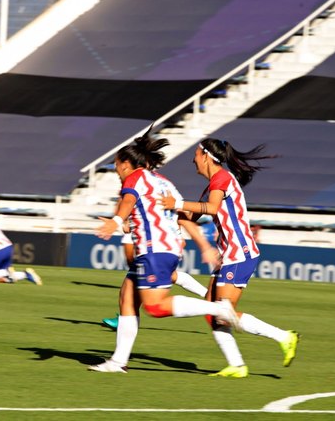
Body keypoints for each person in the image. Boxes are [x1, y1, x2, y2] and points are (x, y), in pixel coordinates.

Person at [88, 131, 240, 374]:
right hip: (167, 248)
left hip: (154, 249)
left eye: (116, 165)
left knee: (156, 307)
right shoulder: (163, 182)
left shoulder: (134, 178)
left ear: (126, 164)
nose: (116, 170)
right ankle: (118, 361)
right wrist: (204, 245)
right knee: (127, 297)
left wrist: (116, 221)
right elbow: (184, 219)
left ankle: (218, 308)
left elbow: (127, 204)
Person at [161, 138, 299, 378]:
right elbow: (192, 216)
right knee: (212, 312)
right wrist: (172, 213)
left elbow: (212, 209)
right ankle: (236, 365)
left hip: (239, 253)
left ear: (206, 156)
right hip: (230, 254)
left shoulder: (222, 179)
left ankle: (284, 337)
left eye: (195, 154)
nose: (192, 158)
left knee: (223, 311)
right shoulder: (214, 184)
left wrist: (178, 203)